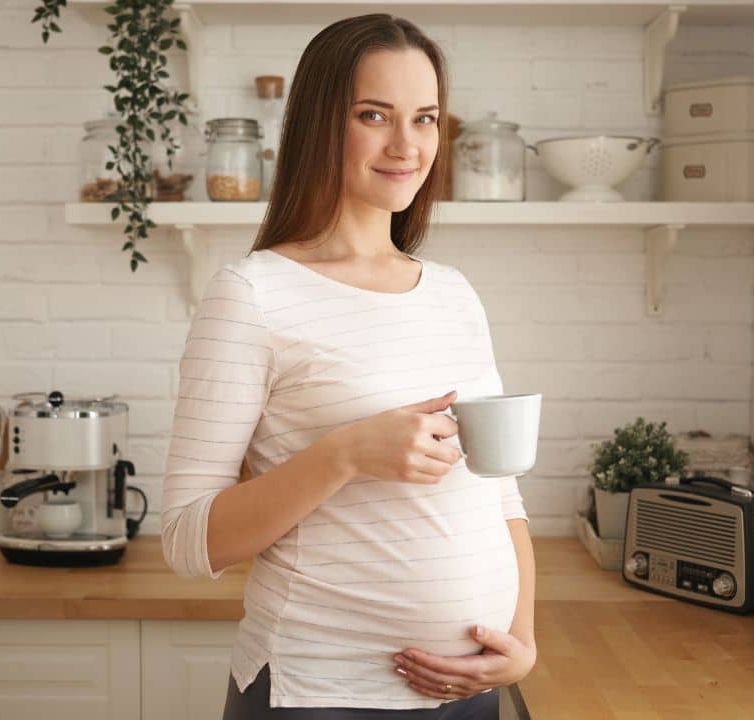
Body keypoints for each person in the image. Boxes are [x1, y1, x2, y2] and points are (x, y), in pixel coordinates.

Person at [160, 13, 536, 719]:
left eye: (425, 118)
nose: (407, 144)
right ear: (319, 124)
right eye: (375, 115)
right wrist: (346, 454)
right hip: (318, 694)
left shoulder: (453, 292)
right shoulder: (252, 294)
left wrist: (523, 642)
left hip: (471, 693)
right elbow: (186, 540)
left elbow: (502, 497)